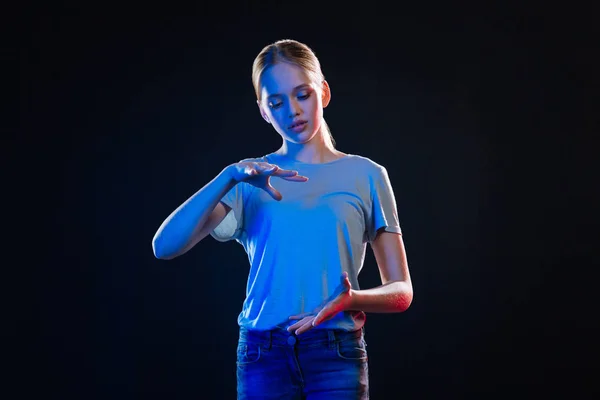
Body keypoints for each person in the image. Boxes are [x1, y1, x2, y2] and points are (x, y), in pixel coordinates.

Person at [152, 39, 413, 399]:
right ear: (263, 110)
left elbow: (401, 292)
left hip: (335, 351)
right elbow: (164, 247)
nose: (292, 111)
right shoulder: (251, 178)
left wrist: (351, 299)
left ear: (323, 92)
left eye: (302, 94)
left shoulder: (365, 174)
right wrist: (229, 176)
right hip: (263, 354)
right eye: (276, 102)